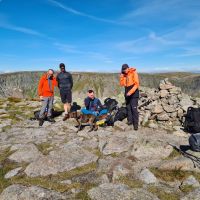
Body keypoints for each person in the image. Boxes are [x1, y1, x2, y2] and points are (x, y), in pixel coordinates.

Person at [120, 64, 139, 130]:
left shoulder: (134, 72)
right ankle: (130, 121)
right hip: (127, 90)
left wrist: (130, 92)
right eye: (123, 70)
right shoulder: (124, 74)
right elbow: (122, 84)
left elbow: (136, 84)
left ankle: (136, 124)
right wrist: (122, 76)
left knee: (134, 108)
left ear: (128, 68)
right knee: (128, 107)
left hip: (134, 92)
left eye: (125, 69)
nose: (124, 71)